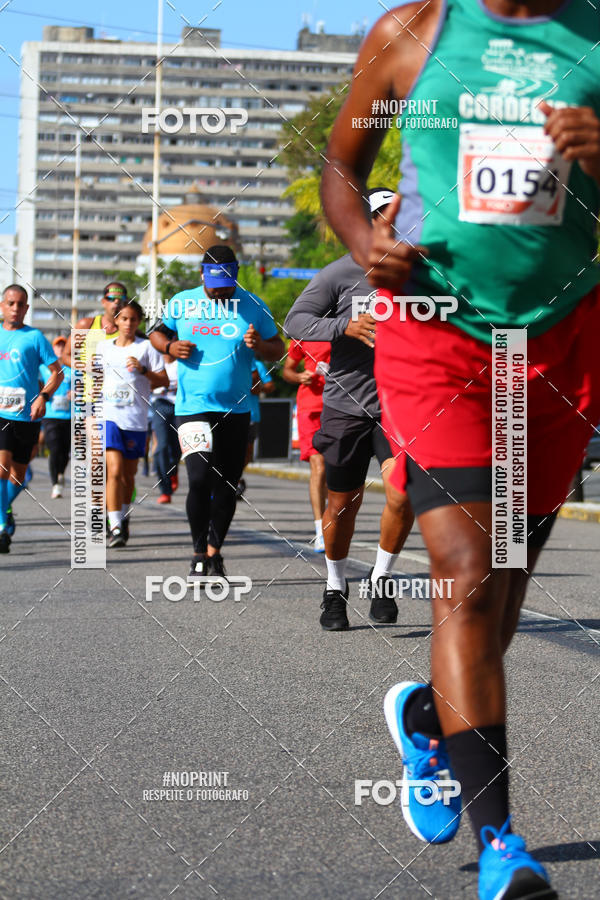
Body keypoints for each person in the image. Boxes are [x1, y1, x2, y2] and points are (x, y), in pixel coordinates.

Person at [321, 2, 600, 897]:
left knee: (500, 593)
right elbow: (342, 165)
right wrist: (369, 243)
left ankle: (434, 731)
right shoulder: (412, 33)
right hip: (436, 334)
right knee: (467, 569)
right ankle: (501, 849)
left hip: (559, 341)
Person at [284, 189, 414, 628]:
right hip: (347, 405)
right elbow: (296, 321)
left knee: (403, 492)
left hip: (402, 407)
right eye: (387, 218)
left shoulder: (423, 273)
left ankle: (381, 578)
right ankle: (335, 587)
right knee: (343, 506)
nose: (397, 227)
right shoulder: (338, 274)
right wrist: (344, 325)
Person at [150, 245, 284, 581]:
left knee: (226, 484)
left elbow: (278, 348)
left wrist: (261, 347)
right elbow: (155, 333)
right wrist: (169, 347)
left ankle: (215, 551)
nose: (221, 290)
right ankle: (197, 552)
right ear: (202, 275)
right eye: (215, 284)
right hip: (192, 407)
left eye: (227, 284)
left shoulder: (253, 305)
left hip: (236, 410)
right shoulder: (182, 301)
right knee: (198, 478)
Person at [98, 300, 167, 548]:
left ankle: (123, 517)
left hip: (135, 420)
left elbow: (163, 381)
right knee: (113, 471)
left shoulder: (147, 348)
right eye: (124, 318)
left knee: (128, 476)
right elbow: (94, 381)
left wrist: (144, 371)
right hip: (108, 417)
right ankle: (114, 525)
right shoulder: (104, 348)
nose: (128, 324)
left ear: (139, 322)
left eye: (133, 320)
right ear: (116, 320)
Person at [0, 285, 63, 552]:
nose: (15, 308)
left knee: (18, 475)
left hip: (27, 415)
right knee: (2, 467)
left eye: (21, 304)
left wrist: (43, 397)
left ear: (26, 308)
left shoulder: (35, 337)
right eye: (11, 303)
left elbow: (57, 373)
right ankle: (2, 527)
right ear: (2, 305)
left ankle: (6, 507)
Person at [282, 340, 329, 551]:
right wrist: (300, 376)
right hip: (310, 408)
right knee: (319, 467)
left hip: (343, 407)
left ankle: (334, 521)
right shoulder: (304, 331)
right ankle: (321, 531)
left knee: (336, 470)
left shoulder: (352, 326)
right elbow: (288, 371)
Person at [63, 281, 128, 367]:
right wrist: (85, 367)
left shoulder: (130, 329)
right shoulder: (85, 325)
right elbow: (65, 356)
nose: (116, 301)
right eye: (111, 298)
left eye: (121, 298)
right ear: (103, 302)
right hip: (88, 380)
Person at [237, 358, 276, 500]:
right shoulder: (229, 360)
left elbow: (270, 386)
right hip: (228, 413)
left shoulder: (257, 364)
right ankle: (230, 480)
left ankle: (235, 477)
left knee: (247, 453)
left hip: (251, 415)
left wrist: (259, 388)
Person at [40, 335, 72, 498]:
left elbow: (81, 388)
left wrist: (75, 393)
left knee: (65, 451)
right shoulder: (45, 368)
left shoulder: (72, 369)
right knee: (54, 448)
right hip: (50, 414)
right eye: (57, 346)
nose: (60, 349)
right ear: (53, 349)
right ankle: (55, 484)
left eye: (63, 346)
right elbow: (38, 384)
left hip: (69, 415)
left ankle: (60, 473)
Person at [151, 353, 180, 504]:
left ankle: (173, 471)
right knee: (161, 447)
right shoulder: (154, 363)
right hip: (160, 405)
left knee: (177, 449)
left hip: (179, 407)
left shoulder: (181, 364)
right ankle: (165, 489)